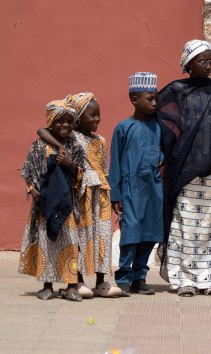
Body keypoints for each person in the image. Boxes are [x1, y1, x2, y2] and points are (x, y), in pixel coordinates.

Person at [158, 40, 211, 297]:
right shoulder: (176, 91)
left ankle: (209, 279)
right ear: (188, 65)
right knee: (184, 225)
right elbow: (161, 120)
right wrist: (172, 149)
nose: (208, 65)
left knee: (209, 226)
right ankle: (182, 278)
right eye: (202, 61)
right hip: (184, 171)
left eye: (210, 60)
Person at [37, 93, 122, 298]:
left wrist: (113, 196)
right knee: (81, 238)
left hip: (100, 195)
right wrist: (61, 149)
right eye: (92, 115)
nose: (97, 119)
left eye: (99, 114)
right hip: (81, 194)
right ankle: (79, 281)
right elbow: (42, 130)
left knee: (102, 237)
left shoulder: (100, 140)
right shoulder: (71, 138)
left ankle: (101, 282)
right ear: (78, 119)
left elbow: (104, 169)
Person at [19, 100, 86, 301]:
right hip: (44, 205)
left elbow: (80, 173)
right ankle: (47, 286)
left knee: (70, 243)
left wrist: (69, 164)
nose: (65, 125)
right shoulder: (39, 146)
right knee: (46, 242)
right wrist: (32, 190)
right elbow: (28, 170)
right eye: (60, 121)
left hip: (67, 204)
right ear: (51, 122)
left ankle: (71, 286)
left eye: (69, 121)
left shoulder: (75, 146)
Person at [109, 73, 164, 296]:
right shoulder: (123, 128)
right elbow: (115, 162)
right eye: (149, 99)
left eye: (156, 98)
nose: (154, 103)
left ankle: (140, 278)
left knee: (149, 234)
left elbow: (161, 151)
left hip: (153, 190)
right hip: (130, 191)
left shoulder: (157, 127)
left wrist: (160, 157)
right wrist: (115, 194)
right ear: (134, 99)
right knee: (130, 234)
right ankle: (123, 277)